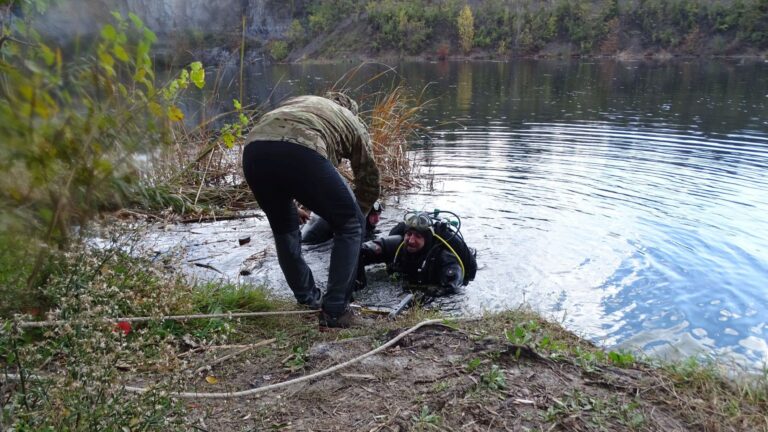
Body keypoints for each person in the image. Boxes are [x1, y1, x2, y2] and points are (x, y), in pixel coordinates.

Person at [242, 92, 380, 328]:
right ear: (351, 111)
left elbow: (279, 149)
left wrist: (295, 205)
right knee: (350, 223)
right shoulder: (350, 119)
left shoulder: (299, 101)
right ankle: (336, 311)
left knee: (284, 229)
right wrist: (360, 216)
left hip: (253, 151)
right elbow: (369, 179)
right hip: (301, 152)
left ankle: (307, 301)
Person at [358, 211, 476, 296]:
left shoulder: (442, 256)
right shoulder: (398, 246)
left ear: (427, 239)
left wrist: (439, 291)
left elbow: (454, 284)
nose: (411, 240)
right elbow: (364, 251)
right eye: (409, 234)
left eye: (418, 236)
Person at [301, 200, 384, 245]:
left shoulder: (346, 210)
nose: (377, 219)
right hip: (310, 247)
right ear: (365, 215)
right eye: (373, 215)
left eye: (379, 214)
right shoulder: (353, 223)